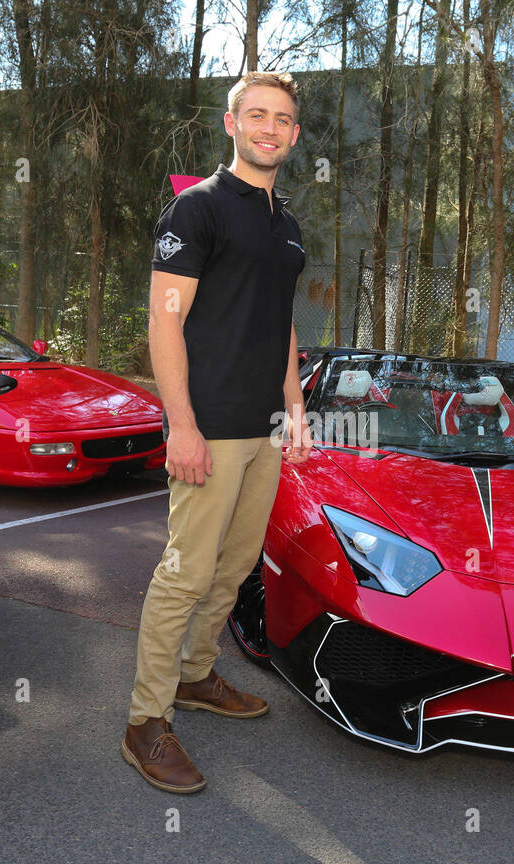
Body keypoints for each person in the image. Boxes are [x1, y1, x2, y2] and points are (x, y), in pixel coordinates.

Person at [122, 71, 312, 794]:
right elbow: (163, 319)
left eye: (283, 118)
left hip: (264, 429)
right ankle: (145, 721)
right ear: (231, 124)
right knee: (186, 573)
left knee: (233, 570)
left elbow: (281, 318)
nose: (270, 127)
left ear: (294, 135)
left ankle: (197, 676)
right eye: (256, 114)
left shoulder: (286, 223)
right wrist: (183, 426)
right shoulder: (196, 210)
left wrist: (294, 404)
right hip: (210, 429)